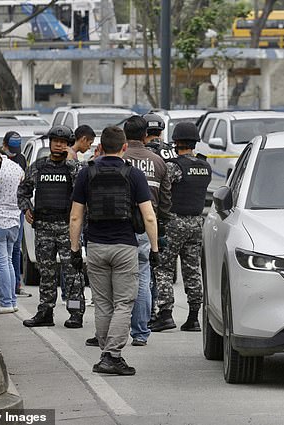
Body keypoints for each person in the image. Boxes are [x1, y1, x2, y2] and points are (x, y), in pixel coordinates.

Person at [69, 125, 159, 375]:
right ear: (124, 147)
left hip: (96, 245)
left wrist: (75, 249)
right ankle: (112, 355)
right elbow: (149, 217)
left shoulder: (87, 174)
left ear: (100, 147)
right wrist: (154, 248)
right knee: (123, 302)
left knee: (103, 303)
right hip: (124, 246)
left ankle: (105, 353)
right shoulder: (134, 175)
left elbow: (76, 217)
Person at [18, 125, 85, 328]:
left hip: (67, 228)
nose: (59, 145)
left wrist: (72, 161)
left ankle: (75, 312)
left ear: (68, 145)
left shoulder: (74, 168)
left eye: (63, 142)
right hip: (44, 227)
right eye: (56, 141)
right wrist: (26, 207)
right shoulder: (38, 167)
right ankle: (45, 312)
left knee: (72, 273)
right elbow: (22, 190)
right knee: (47, 273)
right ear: (50, 143)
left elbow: (82, 190)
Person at [150, 122, 212, 332]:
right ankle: (194, 317)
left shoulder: (174, 166)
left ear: (176, 142)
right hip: (196, 222)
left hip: (175, 222)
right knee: (192, 269)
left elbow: (164, 189)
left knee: (164, 268)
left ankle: (165, 314)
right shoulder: (205, 166)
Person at [123, 115, 172, 346]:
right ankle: (140, 332)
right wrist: (159, 230)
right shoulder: (158, 162)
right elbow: (165, 203)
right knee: (143, 278)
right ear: (146, 135)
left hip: (117, 228)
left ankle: (113, 331)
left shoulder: (119, 159)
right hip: (146, 227)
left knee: (117, 280)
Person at [0, 131, 32, 300]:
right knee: (5, 259)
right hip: (12, 217)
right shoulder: (14, 166)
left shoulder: (1, 166)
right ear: (3, 146)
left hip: (2, 217)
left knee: (4, 259)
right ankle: (4, 293)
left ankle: (8, 297)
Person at [0, 154, 24, 315]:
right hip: (14, 221)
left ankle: (5, 302)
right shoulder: (17, 168)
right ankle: (12, 300)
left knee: (0, 264)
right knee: (8, 263)